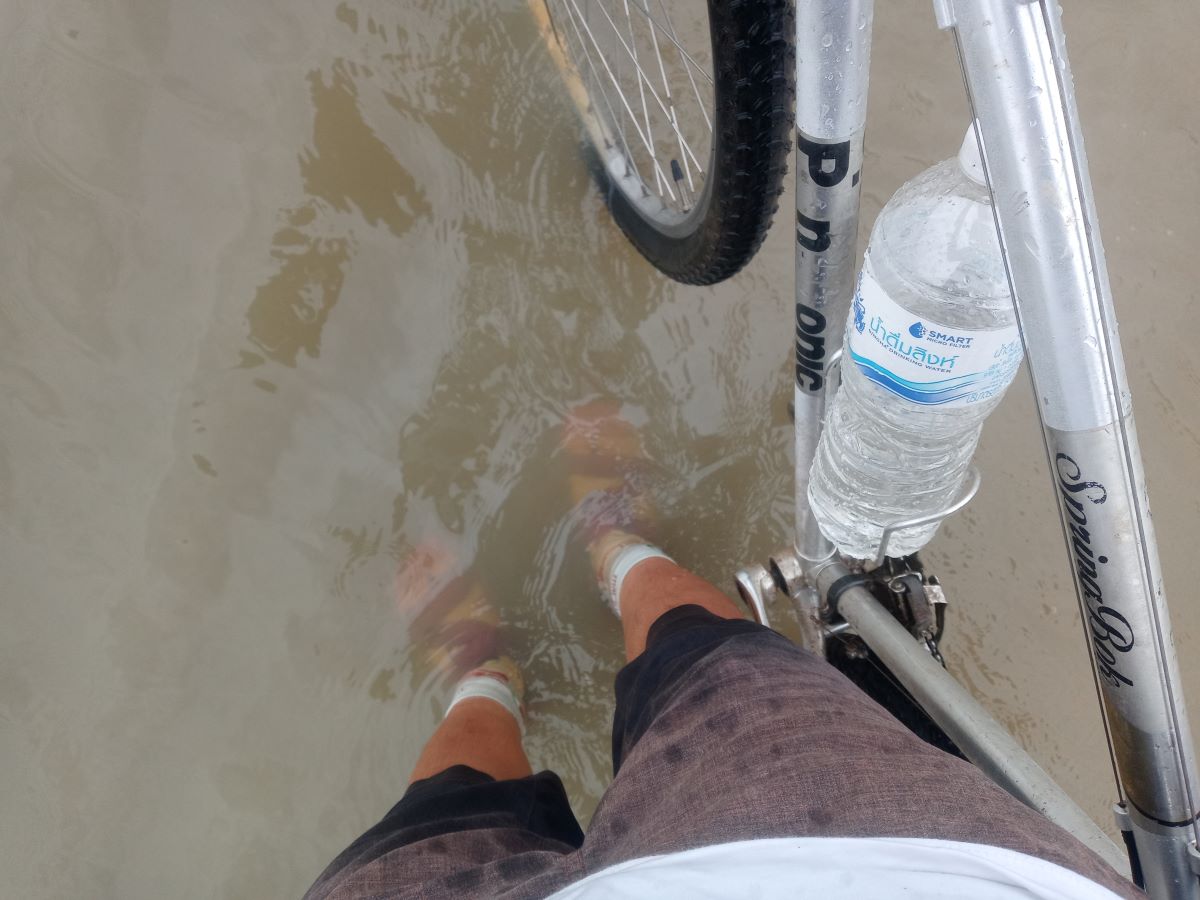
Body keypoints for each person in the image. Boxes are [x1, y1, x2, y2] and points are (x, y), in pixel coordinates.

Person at [304, 406, 1141, 900]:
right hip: (863, 861)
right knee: (707, 658)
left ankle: (484, 671)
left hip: (797, 859)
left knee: (438, 815)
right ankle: (620, 556)